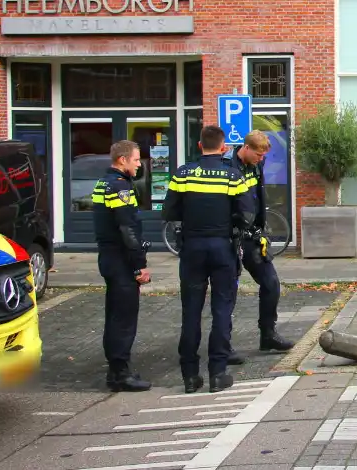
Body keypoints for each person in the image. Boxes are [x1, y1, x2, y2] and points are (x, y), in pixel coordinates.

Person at [163, 125, 257, 394]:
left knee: (190, 312)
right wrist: (234, 226)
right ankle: (217, 373)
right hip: (222, 247)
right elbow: (247, 213)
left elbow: (169, 211)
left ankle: (190, 376)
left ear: (200, 146)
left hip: (191, 248)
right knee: (221, 310)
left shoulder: (182, 174)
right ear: (223, 146)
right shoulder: (231, 175)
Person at [223, 130, 295, 363]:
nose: (260, 159)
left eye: (264, 156)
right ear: (245, 147)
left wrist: (261, 229)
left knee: (271, 283)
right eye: (258, 155)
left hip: (252, 235)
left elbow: (258, 197)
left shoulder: (255, 166)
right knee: (228, 291)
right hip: (231, 237)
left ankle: (268, 334)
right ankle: (224, 346)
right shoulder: (227, 166)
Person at [92, 139, 152, 392]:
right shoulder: (119, 187)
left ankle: (116, 369)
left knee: (115, 314)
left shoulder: (103, 183)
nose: (140, 164)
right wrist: (139, 265)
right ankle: (120, 373)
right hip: (121, 259)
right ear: (122, 160)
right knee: (124, 318)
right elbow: (127, 230)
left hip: (108, 256)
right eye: (136, 160)